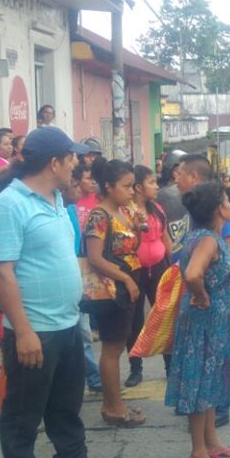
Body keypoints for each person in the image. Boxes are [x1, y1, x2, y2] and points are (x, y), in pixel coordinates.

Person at [0, 126, 122, 458]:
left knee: (65, 407)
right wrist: (22, 331)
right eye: (72, 157)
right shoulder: (9, 206)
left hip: (65, 323)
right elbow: (2, 275)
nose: (78, 163)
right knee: (23, 416)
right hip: (33, 329)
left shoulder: (57, 199)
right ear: (54, 162)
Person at [165, 180, 230, 458]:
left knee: (211, 382)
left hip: (216, 321)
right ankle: (198, 453)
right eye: (226, 200)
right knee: (201, 383)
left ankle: (211, 442)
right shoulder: (209, 240)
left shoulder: (202, 235)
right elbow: (193, 273)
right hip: (207, 322)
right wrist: (199, 294)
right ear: (218, 209)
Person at [84, 157, 146, 425]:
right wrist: (126, 279)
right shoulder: (99, 216)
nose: (132, 191)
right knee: (111, 348)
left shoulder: (127, 210)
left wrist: (138, 226)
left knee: (119, 344)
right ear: (108, 186)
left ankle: (114, 403)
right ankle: (113, 407)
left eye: (133, 186)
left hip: (129, 281)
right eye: (127, 186)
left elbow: (134, 244)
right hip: (112, 287)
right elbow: (95, 258)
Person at [125, 164, 171, 388]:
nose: (156, 186)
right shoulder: (127, 211)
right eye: (152, 182)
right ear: (138, 187)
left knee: (164, 315)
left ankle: (170, 366)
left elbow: (166, 239)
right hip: (134, 271)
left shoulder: (158, 209)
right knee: (134, 320)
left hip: (160, 267)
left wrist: (173, 267)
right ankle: (135, 368)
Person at [64, 165, 102, 395]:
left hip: (79, 274)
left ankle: (94, 379)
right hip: (67, 277)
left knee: (83, 331)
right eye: (75, 185)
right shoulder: (67, 209)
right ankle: (90, 377)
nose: (78, 189)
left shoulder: (68, 210)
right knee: (78, 331)